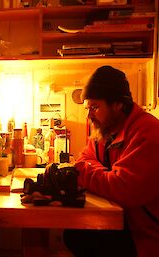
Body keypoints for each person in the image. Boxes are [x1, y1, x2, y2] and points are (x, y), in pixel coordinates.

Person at [63, 66, 159, 257]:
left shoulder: (148, 133)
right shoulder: (105, 130)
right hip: (125, 223)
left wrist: (82, 171)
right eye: (87, 108)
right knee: (74, 233)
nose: (89, 116)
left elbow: (123, 189)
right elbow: (86, 158)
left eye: (95, 107)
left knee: (78, 237)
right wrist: (106, 175)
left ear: (118, 105)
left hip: (147, 237)